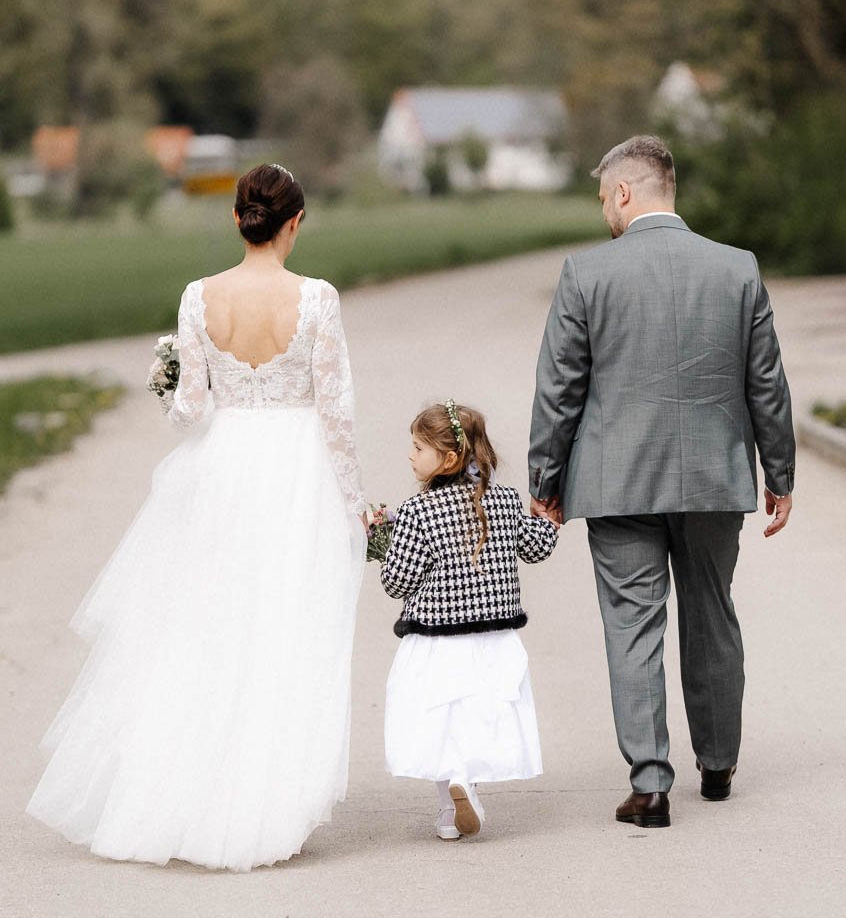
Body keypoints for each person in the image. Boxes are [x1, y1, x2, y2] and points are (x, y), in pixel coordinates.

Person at [27, 164, 367, 871]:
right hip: (296, 468)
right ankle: (270, 803)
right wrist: (354, 499)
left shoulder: (197, 296)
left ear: (236, 219)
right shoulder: (317, 298)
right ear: (295, 222)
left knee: (208, 624)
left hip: (221, 467)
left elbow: (190, 414)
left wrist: (170, 385)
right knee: (282, 628)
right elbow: (335, 410)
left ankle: (186, 793)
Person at [528, 135, 795, 828]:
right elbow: (766, 380)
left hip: (616, 481)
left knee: (632, 625)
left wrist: (545, 478)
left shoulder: (587, 275)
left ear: (623, 192)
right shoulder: (737, 269)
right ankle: (717, 764)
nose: (604, 214)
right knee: (712, 610)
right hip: (713, 476)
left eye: (603, 200)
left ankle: (649, 785)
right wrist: (780, 470)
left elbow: (560, 389)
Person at [381, 400, 558, 841]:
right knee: (478, 715)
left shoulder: (419, 512)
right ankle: (467, 784)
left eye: (418, 447)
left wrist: (381, 539)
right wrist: (549, 521)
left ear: (448, 458)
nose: (410, 455)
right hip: (494, 639)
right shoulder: (503, 500)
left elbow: (397, 582)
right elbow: (534, 548)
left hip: (437, 640)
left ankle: (448, 808)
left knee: (441, 719)